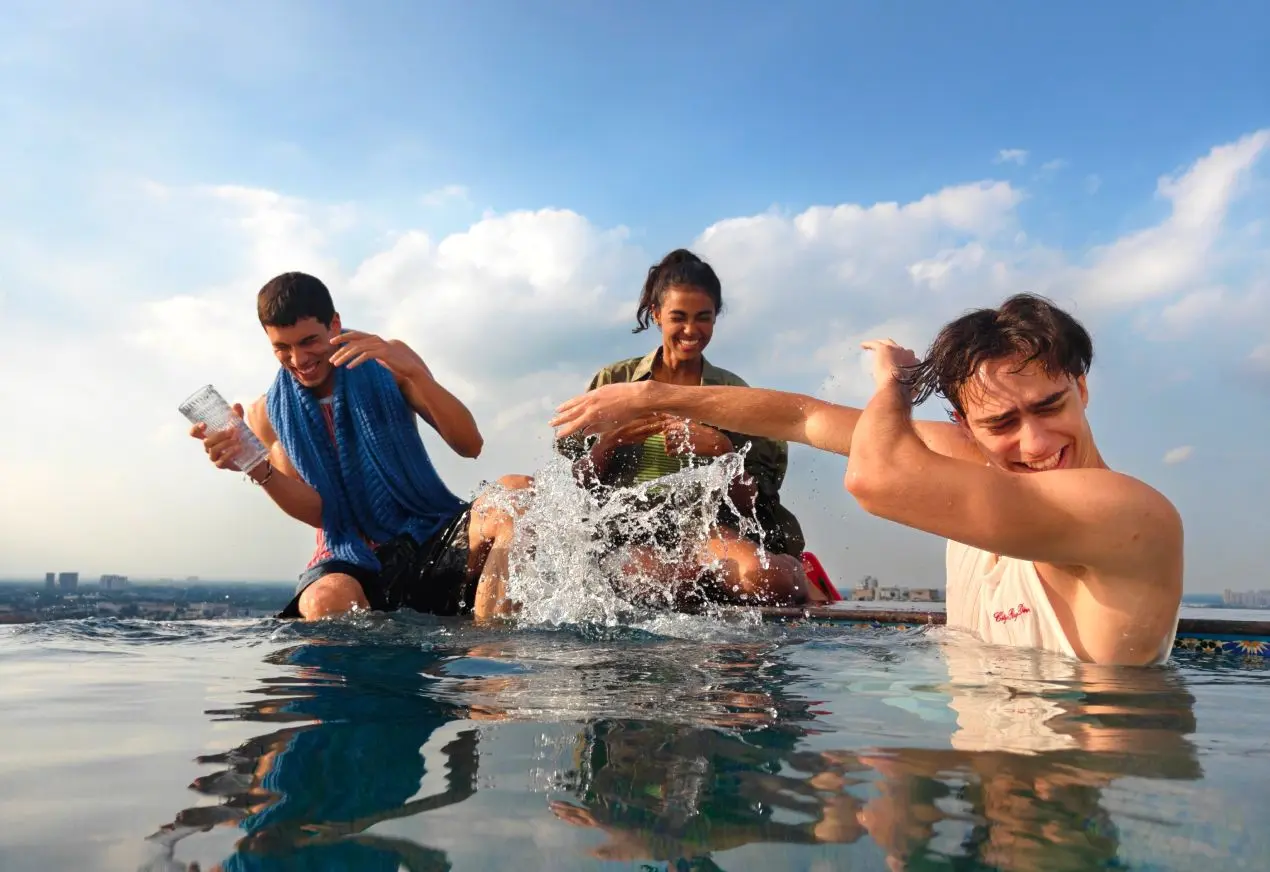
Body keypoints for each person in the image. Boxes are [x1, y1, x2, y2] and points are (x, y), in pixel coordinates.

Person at [551, 293, 1184, 665]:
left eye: (1050, 406)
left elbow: (876, 478)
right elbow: (802, 417)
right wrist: (652, 394)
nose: (1037, 443)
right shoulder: (972, 466)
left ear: (1081, 387)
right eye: (1002, 422)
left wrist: (895, 386)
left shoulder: (1127, 512)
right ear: (964, 425)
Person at [191, 271, 529, 621]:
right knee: (324, 600)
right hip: (349, 555)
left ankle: (489, 651)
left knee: (516, 496)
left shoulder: (388, 361)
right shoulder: (267, 413)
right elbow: (320, 513)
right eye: (282, 348)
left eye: (309, 341)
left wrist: (414, 374)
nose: (299, 359)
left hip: (427, 531)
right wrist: (253, 464)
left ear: (334, 324)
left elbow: (470, 444)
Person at [555, 248, 817, 608]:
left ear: (715, 318)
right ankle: (696, 585)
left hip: (710, 531)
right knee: (647, 582)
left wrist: (723, 451)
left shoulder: (734, 394)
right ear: (656, 314)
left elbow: (756, 507)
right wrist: (608, 445)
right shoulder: (614, 382)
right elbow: (573, 486)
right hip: (633, 533)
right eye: (678, 317)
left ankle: (792, 569)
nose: (691, 330)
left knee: (768, 580)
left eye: (703, 318)